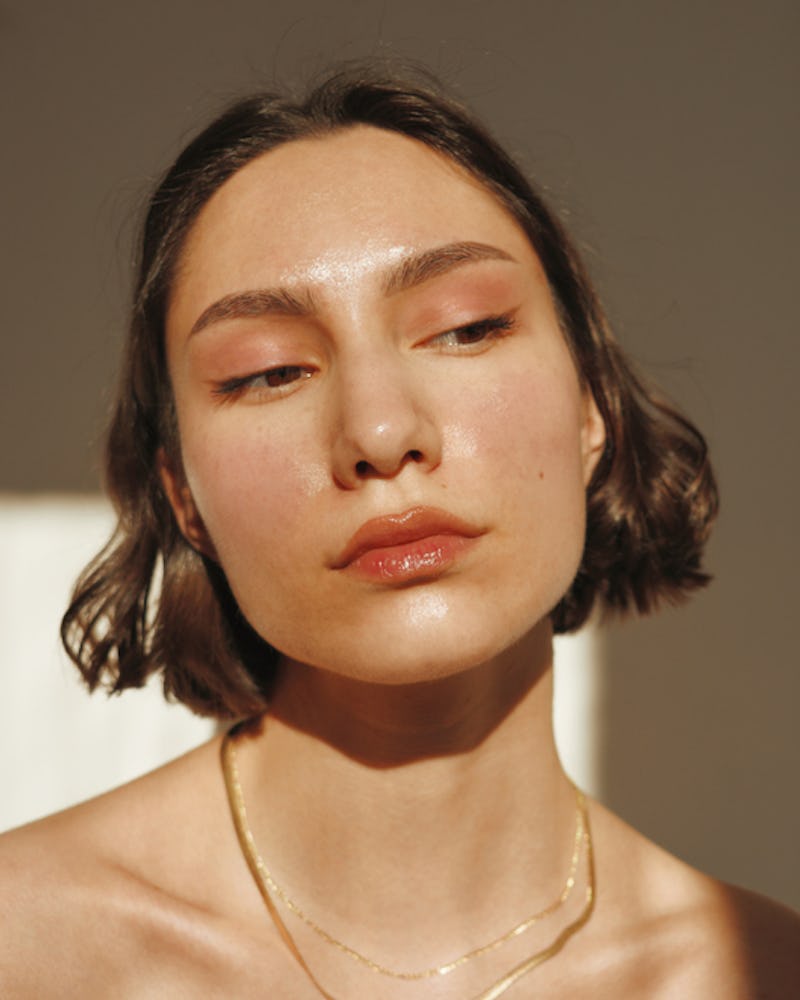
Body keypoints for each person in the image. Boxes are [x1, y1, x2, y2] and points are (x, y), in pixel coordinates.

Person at [1, 64, 797, 999]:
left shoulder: (757, 972)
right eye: (267, 374)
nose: (380, 433)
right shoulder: (29, 947)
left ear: (592, 407)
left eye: (464, 328)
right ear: (181, 494)